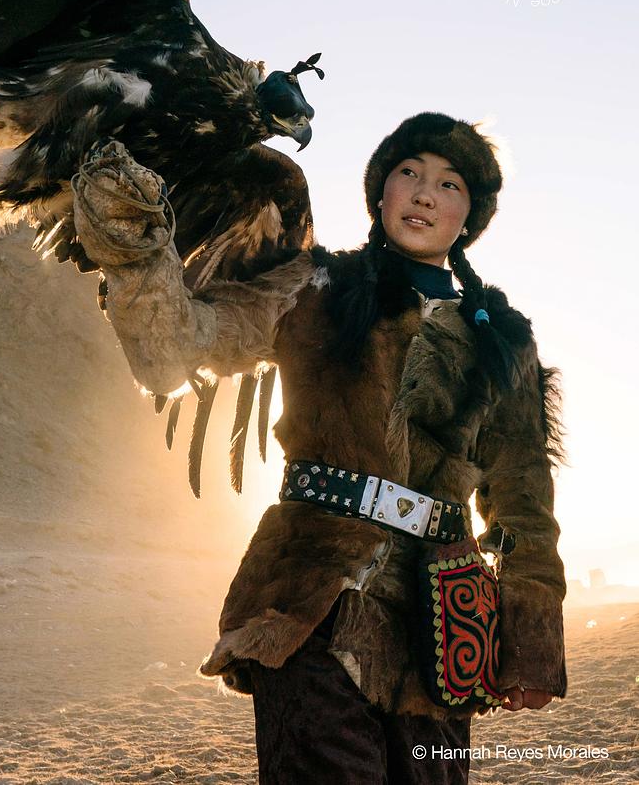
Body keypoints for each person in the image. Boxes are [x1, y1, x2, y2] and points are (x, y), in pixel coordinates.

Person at [72, 112, 567, 784]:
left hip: (444, 629)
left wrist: (530, 645)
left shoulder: (501, 339)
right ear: (380, 191)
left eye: (449, 185)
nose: (425, 193)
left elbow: (525, 500)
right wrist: (138, 260)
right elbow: (182, 345)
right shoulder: (313, 289)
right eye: (409, 173)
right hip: (310, 602)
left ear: (469, 215)